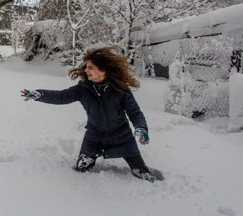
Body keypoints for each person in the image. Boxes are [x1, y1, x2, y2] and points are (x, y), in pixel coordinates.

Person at [21, 46, 156, 182]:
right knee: (80, 170)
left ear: (102, 70)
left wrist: (141, 128)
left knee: (143, 174)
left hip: (122, 138)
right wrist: (39, 95)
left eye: (90, 67)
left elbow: (135, 113)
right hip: (94, 138)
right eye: (86, 67)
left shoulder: (121, 90)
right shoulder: (83, 89)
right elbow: (61, 97)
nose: (86, 70)